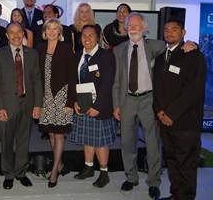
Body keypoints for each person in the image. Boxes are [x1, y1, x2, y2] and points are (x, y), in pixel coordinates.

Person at [113, 12, 196, 199]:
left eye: (136, 25)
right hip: (126, 100)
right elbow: (117, 81)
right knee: (127, 142)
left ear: (144, 28)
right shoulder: (118, 50)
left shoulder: (157, 46)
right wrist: (116, 104)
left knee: (152, 143)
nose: (133, 28)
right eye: (130, 25)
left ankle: (154, 182)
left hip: (149, 100)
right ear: (126, 28)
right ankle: (131, 177)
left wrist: (193, 43)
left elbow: (177, 46)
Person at [153, 20, 206, 200]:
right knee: (173, 162)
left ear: (183, 32)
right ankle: (176, 194)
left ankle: (186, 197)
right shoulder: (161, 58)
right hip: (165, 122)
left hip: (185, 122)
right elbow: (157, 88)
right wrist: (160, 111)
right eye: (166, 30)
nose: (169, 32)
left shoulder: (194, 56)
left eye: (174, 29)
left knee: (186, 165)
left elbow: (193, 90)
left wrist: (171, 114)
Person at [0, 22, 43, 190]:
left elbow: (36, 80)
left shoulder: (32, 53)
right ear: (7, 36)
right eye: (11, 33)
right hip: (7, 106)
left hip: (27, 104)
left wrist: (38, 104)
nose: (15, 35)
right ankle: (8, 174)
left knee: (23, 140)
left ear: (23, 34)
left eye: (19, 32)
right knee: (6, 142)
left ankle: (21, 172)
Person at [69, 25, 116, 188]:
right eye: (84, 35)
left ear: (98, 37)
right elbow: (74, 81)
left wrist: (97, 106)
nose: (87, 38)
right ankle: (88, 167)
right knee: (87, 138)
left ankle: (104, 172)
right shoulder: (76, 56)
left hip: (100, 106)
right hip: (82, 104)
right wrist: (74, 100)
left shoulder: (106, 56)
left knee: (100, 141)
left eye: (91, 35)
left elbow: (107, 83)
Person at [37, 19, 77, 188]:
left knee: (59, 133)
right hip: (45, 97)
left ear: (59, 32)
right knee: (51, 133)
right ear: (45, 31)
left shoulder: (67, 48)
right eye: (49, 28)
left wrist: (70, 101)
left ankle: (54, 171)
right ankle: (59, 163)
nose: (52, 31)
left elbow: (73, 76)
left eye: (55, 29)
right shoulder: (39, 49)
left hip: (62, 95)